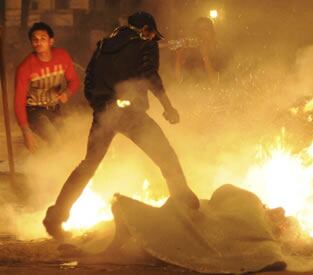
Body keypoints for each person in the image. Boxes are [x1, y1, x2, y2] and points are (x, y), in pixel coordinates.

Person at [42, 11, 200, 240]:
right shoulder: (145, 43)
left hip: (104, 113)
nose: (153, 37)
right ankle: (186, 207)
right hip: (130, 114)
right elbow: (150, 75)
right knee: (165, 156)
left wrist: (98, 105)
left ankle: (55, 217)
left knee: (88, 165)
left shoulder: (103, 45)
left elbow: (89, 78)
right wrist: (168, 106)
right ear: (146, 29)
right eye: (152, 33)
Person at [14, 22, 80, 151]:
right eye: (35, 40)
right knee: (54, 139)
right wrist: (26, 131)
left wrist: (67, 93)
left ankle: (58, 165)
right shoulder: (25, 67)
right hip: (34, 111)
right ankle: (52, 170)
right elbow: (18, 102)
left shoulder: (62, 56)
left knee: (70, 138)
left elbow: (74, 81)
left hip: (54, 108)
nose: (38, 42)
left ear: (51, 41)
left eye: (43, 39)